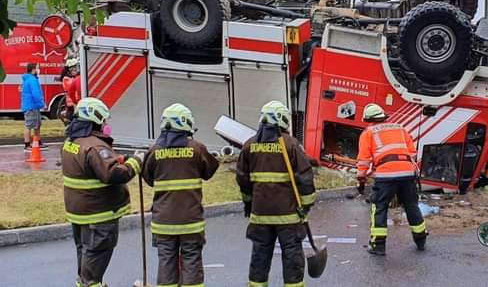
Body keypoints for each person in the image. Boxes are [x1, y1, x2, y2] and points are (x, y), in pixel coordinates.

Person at [61, 97, 143, 287]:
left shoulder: (72, 142)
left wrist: (118, 158)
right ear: (95, 118)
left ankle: (86, 281)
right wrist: (136, 161)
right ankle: (91, 283)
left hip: (80, 212)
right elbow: (113, 174)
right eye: (103, 120)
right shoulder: (95, 146)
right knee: (97, 252)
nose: (105, 124)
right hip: (99, 213)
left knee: (85, 251)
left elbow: (89, 167)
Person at [237, 100, 316, 287]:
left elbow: (243, 179)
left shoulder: (249, 145)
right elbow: (305, 178)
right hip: (288, 216)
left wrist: (248, 203)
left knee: (260, 254)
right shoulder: (291, 144)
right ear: (282, 119)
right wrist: (305, 206)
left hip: (260, 215)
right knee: (292, 254)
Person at [143, 103, 219, 287]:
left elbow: (148, 177)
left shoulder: (154, 151)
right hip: (190, 221)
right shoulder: (197, 148)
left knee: (166, 261)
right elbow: (210, 170)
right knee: (192, 259)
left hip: (163, 222)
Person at [356, 103, 428, 256]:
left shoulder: (368, 133)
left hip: (386, 175)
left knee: (379, 206)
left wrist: (361, 177)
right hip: (408, 172)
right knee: (411, 205)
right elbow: (412, 152)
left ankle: (378, 245)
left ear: (368, 119)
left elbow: (364, 159)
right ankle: (421, 238)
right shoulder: (400, 128)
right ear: (383, 117)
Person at [21, 62, 46, 152]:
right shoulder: (32, 80)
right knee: (29, 125)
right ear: (33, 70)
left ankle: (37, 142)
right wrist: (42, 104)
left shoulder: (30, 79)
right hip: (31, 106)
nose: (38, 70)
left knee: (37, 125)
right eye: (37, 68)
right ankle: (27, 145)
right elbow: (36, 94)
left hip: (33, 106)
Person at [59, 58, 82, 123]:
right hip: (71, 104)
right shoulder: (66, 79)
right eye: (75, 67)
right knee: (73, 122)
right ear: (70, 69)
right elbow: (72, 87)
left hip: (77, 102)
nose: (77, 69)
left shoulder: (74, 77)